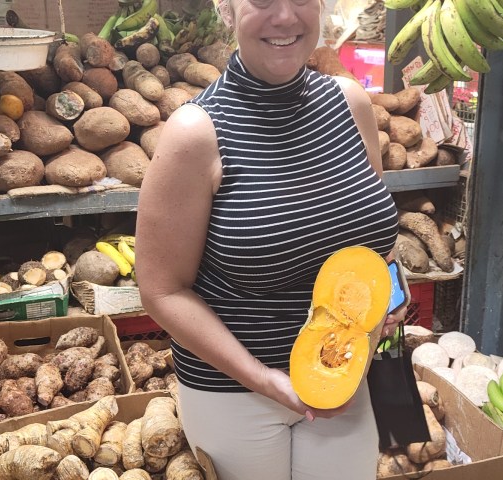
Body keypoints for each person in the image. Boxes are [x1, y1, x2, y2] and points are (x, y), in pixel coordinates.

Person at [135, 0, 404, 477]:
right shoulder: (195, 133)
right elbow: (161, 290)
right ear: (227, 7)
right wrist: (262, 378)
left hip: (345, 378)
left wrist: (390, 290)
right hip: (235, 394)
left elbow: (370, 237)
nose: (285, 17)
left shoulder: (351, 103)